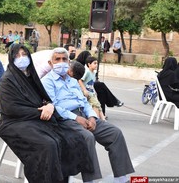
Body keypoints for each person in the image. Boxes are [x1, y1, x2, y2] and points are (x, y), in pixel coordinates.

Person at [0, 44, 93, 183]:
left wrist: (49, 105)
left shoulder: (31, 76)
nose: (22, 58)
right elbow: (11, 109)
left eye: (24, 55)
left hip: (35, 120)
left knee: (70, 137)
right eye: (17, 56)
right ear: (11, 59)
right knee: (48, 144)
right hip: (14, 123)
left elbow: (44, 98)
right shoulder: (7, 80)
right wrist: (41, 111)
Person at [41, 47, 134, 182]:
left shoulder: (72, 81)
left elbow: (84, 102)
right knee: (87, 137)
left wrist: (92, 116)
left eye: (64, 59)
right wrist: (76, 118)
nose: (61, 62)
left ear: (68, 62)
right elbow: (54, 106)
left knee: (115, 133)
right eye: (57, 59)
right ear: (50, 63)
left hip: (83, 115)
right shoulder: (47, 81)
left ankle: (121, 178)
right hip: (65, 120)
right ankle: (90, 180)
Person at [76, 50, 124, 116]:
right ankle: (114, 101)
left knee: (101, 90)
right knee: (101, 85)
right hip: (80, 87)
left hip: (88, 86)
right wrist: (84, 89)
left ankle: (103, 112)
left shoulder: (87, 68)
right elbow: (79, 79)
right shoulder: (77, 66)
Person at [78, 56, 106, 121]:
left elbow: (91, 84)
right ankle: (101, 120)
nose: (96, 65)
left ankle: (103, 120)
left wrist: (94, 91)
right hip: (86, 92)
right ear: (89, 64)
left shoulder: (94, 73)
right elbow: (80, 80)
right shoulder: (87, 72)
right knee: (96, 104)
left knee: (98, 105)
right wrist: (84, 90)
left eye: (97, 63)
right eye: (94, 63)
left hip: (91, 92)